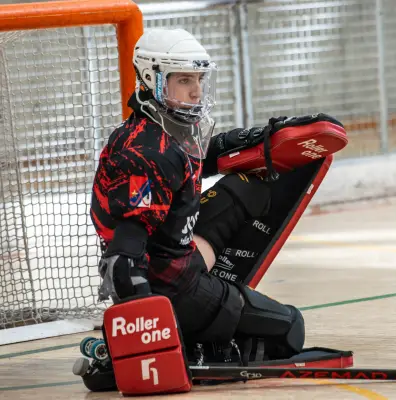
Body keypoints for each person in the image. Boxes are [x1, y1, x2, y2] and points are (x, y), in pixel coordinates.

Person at [89, 28, 309, 364]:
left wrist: (262, 137)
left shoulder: (161, 126)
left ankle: (215, 310)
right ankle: (201, 337)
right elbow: (123, 259)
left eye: (199, 79)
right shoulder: (147, 154)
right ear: (154, 80)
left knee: (247, 185)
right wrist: (149, 336)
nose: (196, 91)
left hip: (175, 259)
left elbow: (197, 161)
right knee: (291, 327)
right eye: (184, 81)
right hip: (176, 292)